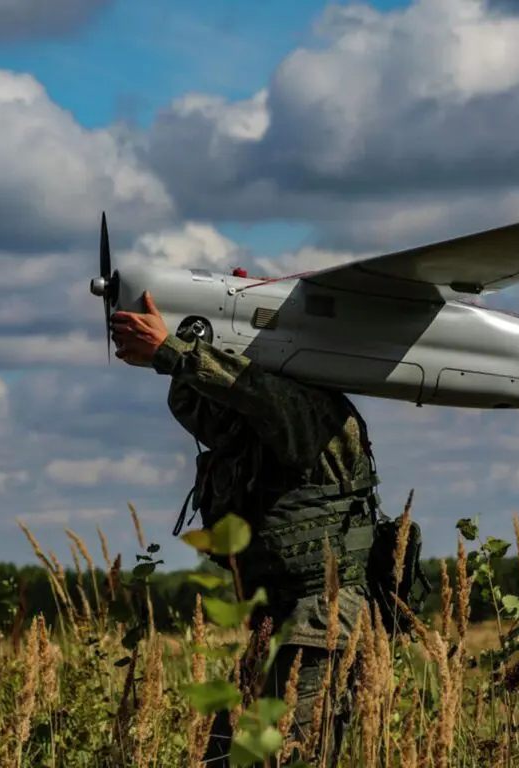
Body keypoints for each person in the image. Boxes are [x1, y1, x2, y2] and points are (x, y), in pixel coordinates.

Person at [110, 290, 390, 766]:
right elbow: (212, 409)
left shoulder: (315, 414)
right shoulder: (260, 430)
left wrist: (172, 352)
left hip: (321, 625)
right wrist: (172, 352)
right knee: (222, 756)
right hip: (282, 622)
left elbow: (254, 394)